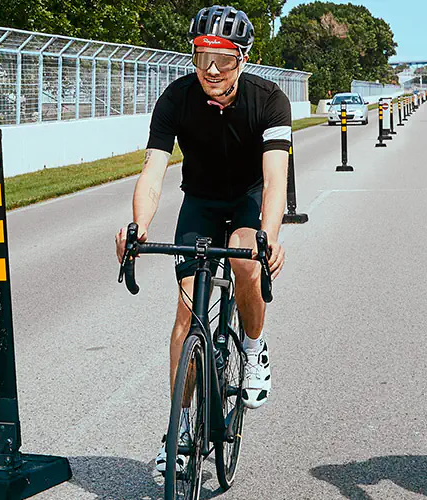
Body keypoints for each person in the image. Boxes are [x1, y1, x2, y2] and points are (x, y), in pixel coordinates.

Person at [115, 4, 291, 475]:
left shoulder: (269, 99)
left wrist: (268, 237)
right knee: (186, 310)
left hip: (246, 199)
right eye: (201, 56)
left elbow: (275, 179)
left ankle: (254, 349)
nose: (211, 69)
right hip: (200, 202)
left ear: (243, 60)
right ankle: (181, 428)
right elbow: (153, 172)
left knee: (245, 261)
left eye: (225, 58)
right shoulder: (175, 98)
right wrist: (137, 226)